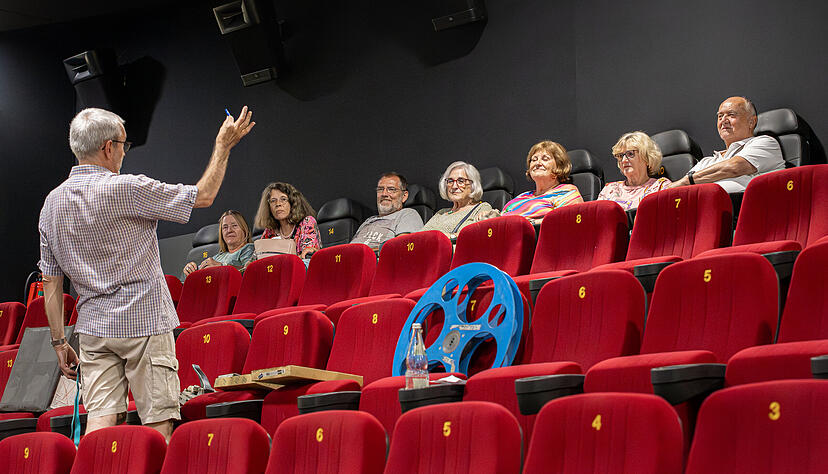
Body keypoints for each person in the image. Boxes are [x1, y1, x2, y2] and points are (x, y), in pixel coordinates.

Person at [39, 106, 254, 441]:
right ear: (108, 147)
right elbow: (205, 195)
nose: (125, 151)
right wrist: (223, 146)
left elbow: (51, 283)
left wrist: (58, 341)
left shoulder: (50, 205)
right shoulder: (127, 188)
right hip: (144, 320)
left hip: (94, 329)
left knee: (100, 424)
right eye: (125, 144)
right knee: (158, 422)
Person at [668, 96, 784, 192]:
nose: (724, 120)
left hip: (748, 214)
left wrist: (689, 180)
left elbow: (734, 167)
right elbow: (678, 189)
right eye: (720, 116)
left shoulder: (766, 143)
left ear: (751, 122)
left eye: (731, 115)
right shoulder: (707, 162)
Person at [499, 141, 583, 224]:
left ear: (558, 166)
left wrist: (529, 223)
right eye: (534, 160)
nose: (538, 163)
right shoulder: (520, 198)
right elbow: (498, 222)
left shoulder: (566, 191)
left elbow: (568, 220)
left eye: (545, 159)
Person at [597, 131, 671, 210]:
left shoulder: (660, 186)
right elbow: (597, 218)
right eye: (620, 156)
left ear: (646, 157)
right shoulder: (610, 189)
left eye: (630, 154)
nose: (624, 160)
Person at [421, 161, 492, 239]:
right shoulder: (441, 213)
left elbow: (479, 234)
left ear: (473, 185)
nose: (454, 186)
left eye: (461, 181)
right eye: (450, 181)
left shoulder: (481, 208)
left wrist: (449, 236)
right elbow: (419, 237)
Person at [351, 172, 423, 248]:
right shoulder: (368, 221)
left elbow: (403, 248)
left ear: (404, 196)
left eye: (391, 189)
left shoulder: (408, 214)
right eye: (380, 189)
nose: (384, 194)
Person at [255, 182, 321, 259]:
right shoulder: (270, 231)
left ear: (292, 202)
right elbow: (255, 258)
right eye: (273, 200)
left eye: (283, 199)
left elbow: (306, 256)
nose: (278, 204)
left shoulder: (307, 222)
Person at [182, 210, 255, 276]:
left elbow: (249, 273)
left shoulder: (248, 248)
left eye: (234, 226)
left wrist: (222, 266)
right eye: (225, 227)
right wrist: (191, 270)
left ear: (244, 230)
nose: (229, 230)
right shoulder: (218, 257)